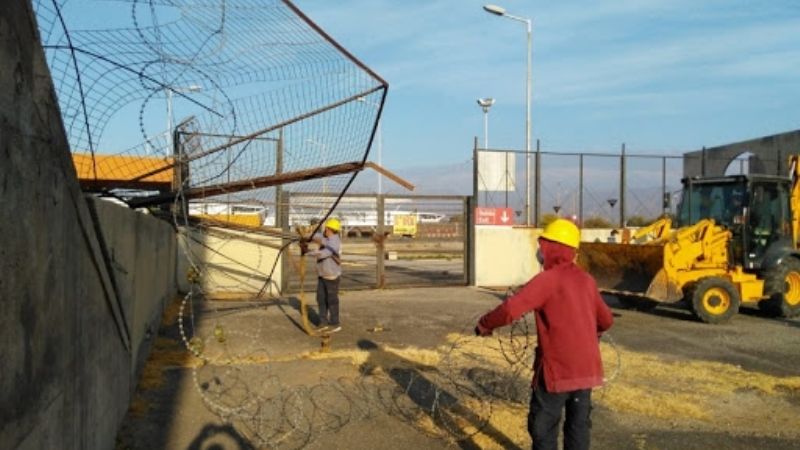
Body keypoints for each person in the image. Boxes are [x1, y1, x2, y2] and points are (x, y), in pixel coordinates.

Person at [475, 219, 614, 450]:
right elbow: (606, 320)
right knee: (578, 427)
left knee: (543, 427)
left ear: (551, 248)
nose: (539, 252)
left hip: (556, 371)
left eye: (542, 246)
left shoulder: (547, 280)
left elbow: (510, 309)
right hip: (586, 369)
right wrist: (590, 334)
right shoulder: (587, 280)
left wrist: (485, 325)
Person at [301, 217, 343, 333]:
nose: (325, 230)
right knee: (321, 298)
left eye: (326, 228)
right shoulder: (326, 237)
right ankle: (323, 322)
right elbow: (317, 236)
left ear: (329, 229)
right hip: (322, 274)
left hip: (332, 276)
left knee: (332, 300)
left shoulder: (334, 242)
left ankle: (335, 323)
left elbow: (324, 253)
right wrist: (305, 235)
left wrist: (308, 252)